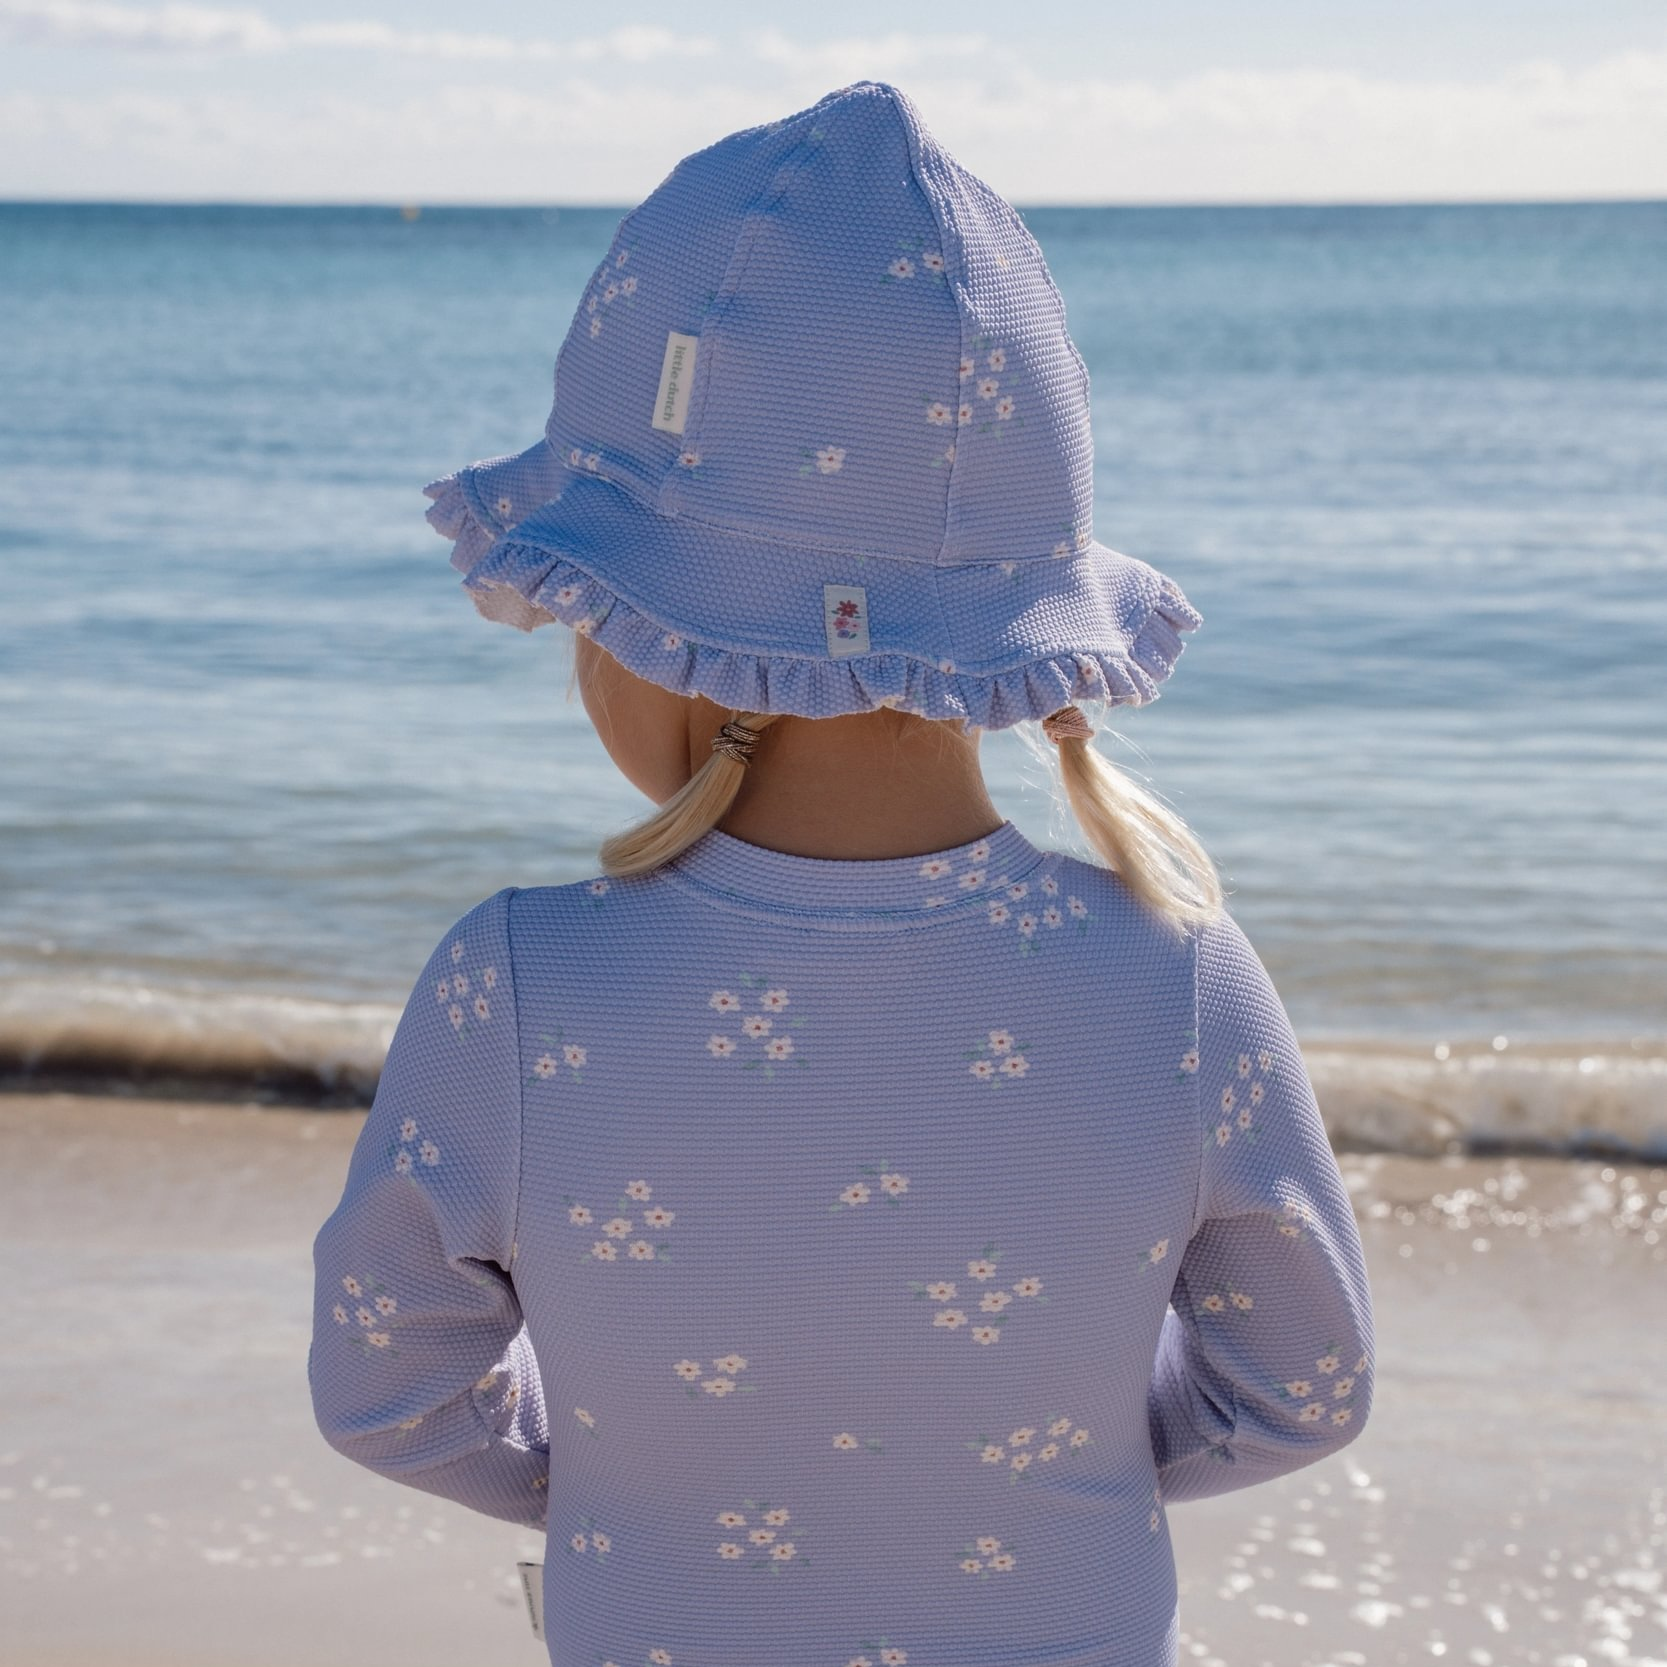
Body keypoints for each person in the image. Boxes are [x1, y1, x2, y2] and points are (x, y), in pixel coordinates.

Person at [308, 80, 1374, 1667]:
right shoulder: (1178, 979)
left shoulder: (516, 985)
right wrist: (1022, 1464)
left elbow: (389, 1385)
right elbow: (1298, 1389)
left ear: (661, 634)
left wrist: (625, 1476)